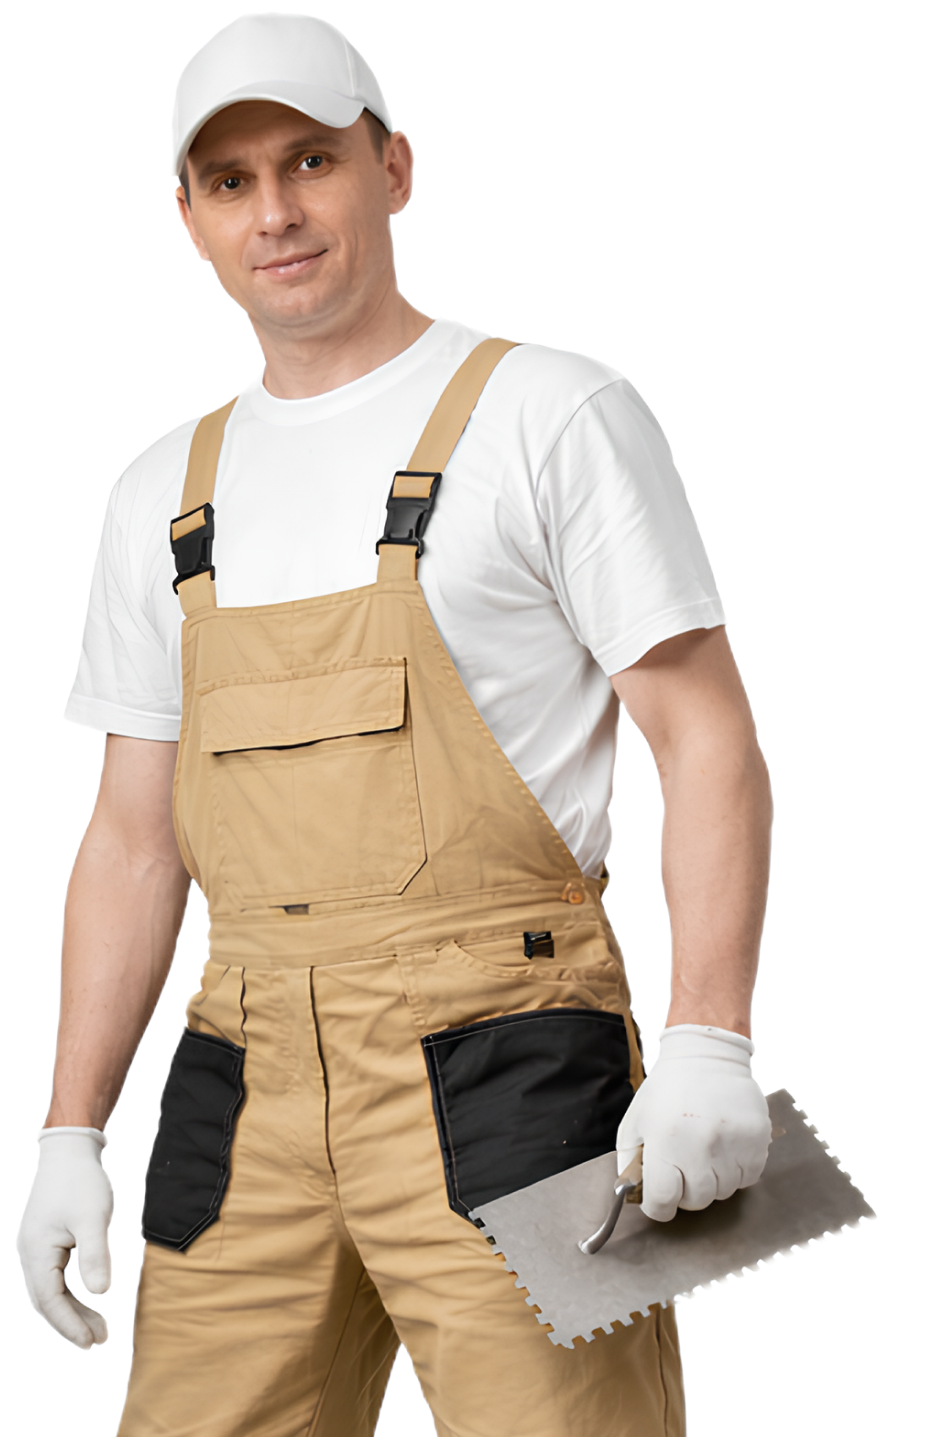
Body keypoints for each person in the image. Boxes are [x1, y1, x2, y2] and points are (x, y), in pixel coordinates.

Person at [15, 10, 775, 1437]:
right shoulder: (161, 488)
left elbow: (703, 739)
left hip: (509, 1051)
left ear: (394, 167)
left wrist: (708, 1040)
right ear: (186, 215)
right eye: (230, 181)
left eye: (310, 159)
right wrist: (69, 1130)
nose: (277, 211)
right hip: (240, 1068)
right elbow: (130, 836)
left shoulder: (553, 412)